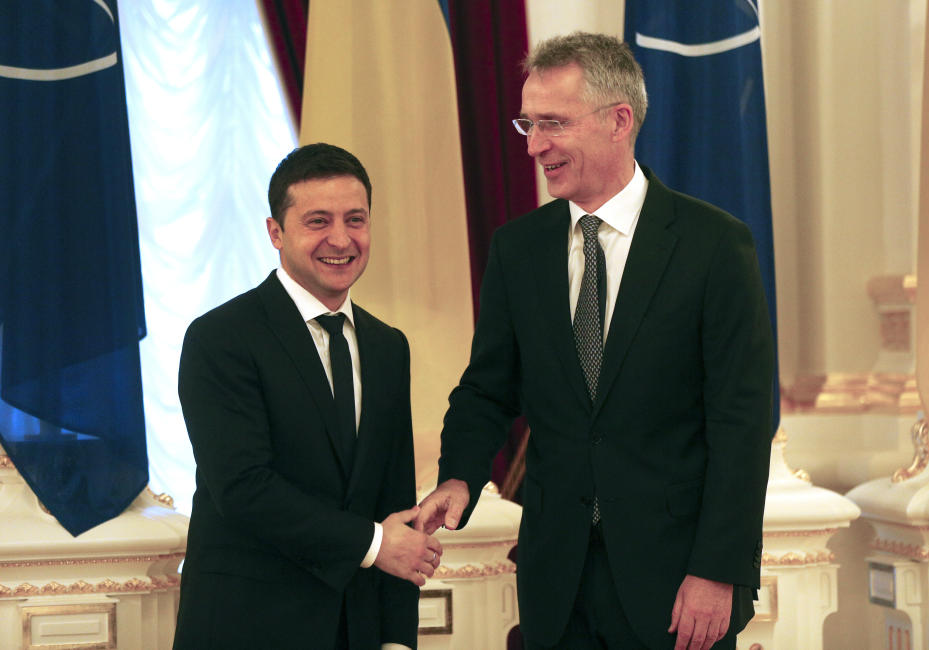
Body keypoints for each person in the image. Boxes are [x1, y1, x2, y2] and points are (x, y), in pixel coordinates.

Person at [415, 32, 774, 650]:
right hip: (558, 583)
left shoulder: (714, 245)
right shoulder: (518, 249)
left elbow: (741, 422)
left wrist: (717, 570)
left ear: (619, 121)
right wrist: (459, 476)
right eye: (527, 123)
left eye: (554, 123)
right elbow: (487, 388)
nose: (534, 145)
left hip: (677, 584)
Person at [174, 143, 440, 650]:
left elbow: (393, 503)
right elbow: (243, 488)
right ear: (275, 232)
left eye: (355, 219)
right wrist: (375, 543)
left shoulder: (388, 347)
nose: (340, 239)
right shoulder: (220, 338)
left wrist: (397, 639)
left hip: (357, 632)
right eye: (318, 221)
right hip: (246, 630)